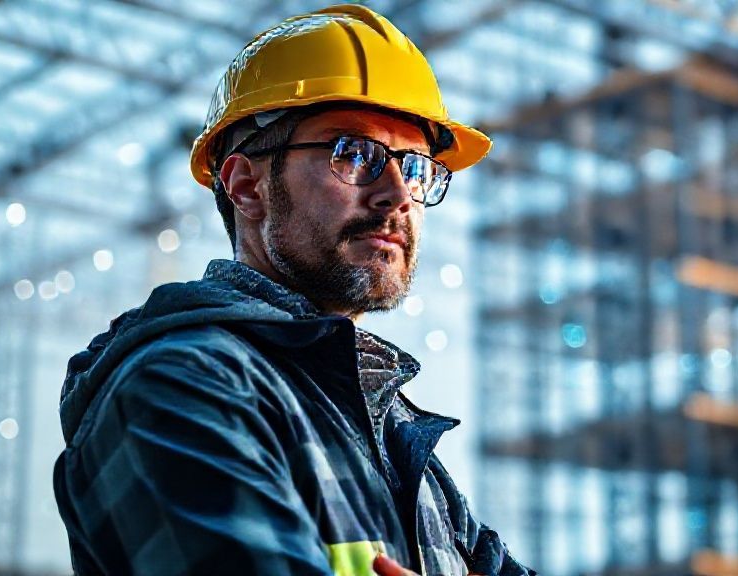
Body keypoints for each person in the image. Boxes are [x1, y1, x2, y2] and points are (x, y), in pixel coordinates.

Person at [52, 5, 535, 575]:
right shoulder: (183, 386)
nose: (399, 194)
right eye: (354, 154)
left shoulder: (398, 435)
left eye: (416, 166)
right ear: (247, 185)